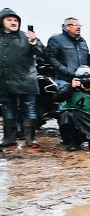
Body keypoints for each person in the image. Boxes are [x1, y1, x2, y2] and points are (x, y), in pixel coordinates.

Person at [0, 8, 46, 149]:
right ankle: (9, 139)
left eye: (15, 20)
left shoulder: (26, 37)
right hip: (5, 81)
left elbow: (43, 53)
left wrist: (34, 42)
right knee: (8, 110)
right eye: (9, 19)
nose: (13, 22)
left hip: (26, 80)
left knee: (29, 109)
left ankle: (30, 139)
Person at [53, 65, 90, 150]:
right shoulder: (71, 87)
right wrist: (71, 87)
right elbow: (56, 98)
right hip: (74, 116)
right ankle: (72, 141)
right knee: (66, 116)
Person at [46, 17, 89, 89]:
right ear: (67, 27)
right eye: (75, 25)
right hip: (64, 81)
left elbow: (87, 58)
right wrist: (66, 71)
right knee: (64, 100)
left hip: (81, 81)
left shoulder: (82, 41)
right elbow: (51, 58)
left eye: (79, 25)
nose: (78, 27)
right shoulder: (56, 39)